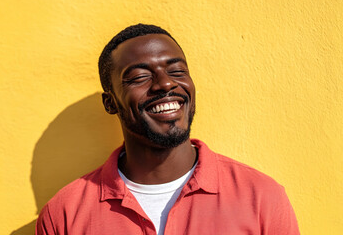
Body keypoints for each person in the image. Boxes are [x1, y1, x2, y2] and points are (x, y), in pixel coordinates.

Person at [36, 24, 300, 235]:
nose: (165, 84)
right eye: (140, 77)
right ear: (111, 103)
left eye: (177, 71)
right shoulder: (64, 215)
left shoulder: (261, 198)